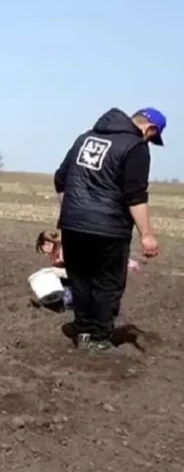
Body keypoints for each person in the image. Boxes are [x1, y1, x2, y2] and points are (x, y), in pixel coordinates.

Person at [53, 107, 164, 353]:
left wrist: (68, 214)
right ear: (150, 129)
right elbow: (134, 195)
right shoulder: (135, 146)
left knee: (81, 280)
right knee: (108, 283)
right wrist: (146, 235)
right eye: (152, 138)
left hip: (73, 224)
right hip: (109, 229)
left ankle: (82, 331)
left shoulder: (85, 138)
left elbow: (60, 179)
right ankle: (99, 338)